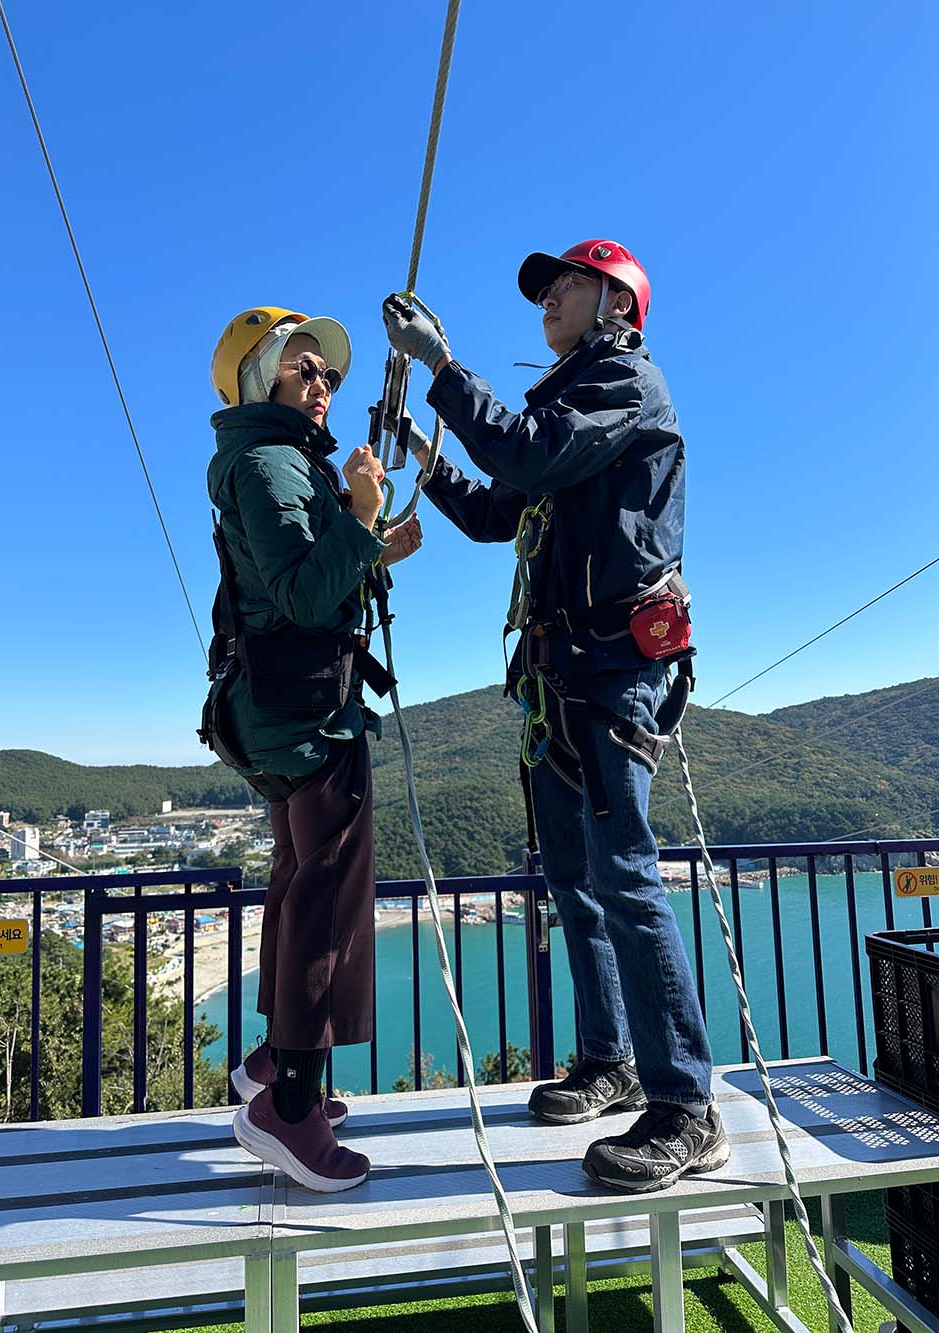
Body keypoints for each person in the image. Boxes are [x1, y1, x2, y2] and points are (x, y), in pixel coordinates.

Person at [381, 241, 729, 1192]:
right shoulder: (571, 402)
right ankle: (611, 1059)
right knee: (575, 877)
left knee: (620, 871)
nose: (546, 301)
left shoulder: (626, 383)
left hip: (615, 668)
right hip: (566, 673)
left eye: (563, 285)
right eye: (544, 289)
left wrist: (443, 371)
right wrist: (425, 451)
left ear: (615, 301)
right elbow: (504, 510)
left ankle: (686, 1106)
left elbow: (529, 453)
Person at [202, 305, 421, 1193]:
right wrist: (361, 520)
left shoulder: (269, 462)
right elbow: (298, 592)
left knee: (296, 879)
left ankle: (271, 1062)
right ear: (263, 381)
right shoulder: (271, 463)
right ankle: (289, 1103)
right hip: (307, 713)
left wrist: (371, 542)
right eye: (304, 370)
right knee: (326, 899)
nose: (322, 385)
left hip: (278, 707)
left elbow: (306, 573)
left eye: (326, 374)